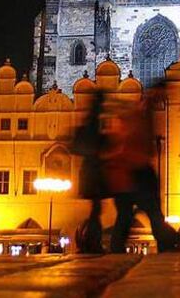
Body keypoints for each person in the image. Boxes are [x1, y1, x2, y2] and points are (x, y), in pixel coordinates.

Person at [101, 81, 180, 253]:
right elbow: (130, 141)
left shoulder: (143, 111)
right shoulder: (141, 112)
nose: (165, 96)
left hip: (131, 171)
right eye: (163, 93)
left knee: (129, 215)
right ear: (155, 92)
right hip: (135, 171)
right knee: (150, 212)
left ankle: (118, 249)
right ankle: (167, 244)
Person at [71, 90, 106, 253]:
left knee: (96, 209)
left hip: (90, 172)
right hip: (94, 173)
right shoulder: (95, 122)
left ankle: (91, 240)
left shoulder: (91, 120)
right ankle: (91, 241)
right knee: (96, 210)